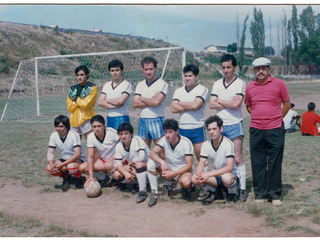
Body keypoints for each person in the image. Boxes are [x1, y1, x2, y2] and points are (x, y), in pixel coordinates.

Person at [245, 57, 290, 207]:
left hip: (275, 129)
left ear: (269, 69)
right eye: (257, 69)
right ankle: (261, 193)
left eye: (264, 68)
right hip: (256, 130)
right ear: (254, 71)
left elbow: (287, 104)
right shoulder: (250, 87)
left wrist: (276, 118)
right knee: (257, 162)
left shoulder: (279, 84)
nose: (261, 71)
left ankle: (274, 194)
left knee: (274, 162)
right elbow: (249, 106)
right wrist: (260, 117)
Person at [209, 54, 247, 202]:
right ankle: (222, 188)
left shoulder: (240, 83)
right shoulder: (218, 83)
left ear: (234, 67)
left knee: (237, 158)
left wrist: (219, 99)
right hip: (220, 126)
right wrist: (227, 102)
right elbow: (211, 104)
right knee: (220, 160)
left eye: (229, 67)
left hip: (234, 123)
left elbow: (236, 105)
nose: (226, 70)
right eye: (223, 67)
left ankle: (242, 189)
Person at [171, 63, 208, 199]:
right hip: (182, 129)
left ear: (196, 76)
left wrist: (181, 104)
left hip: (197, 128)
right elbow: (173, 108)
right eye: (185, 76)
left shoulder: (202, 89)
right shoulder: (178, 91)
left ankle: (204, 185)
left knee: (201, 158)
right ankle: (186, 184)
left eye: (190, 76)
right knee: (183, 158)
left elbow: (197, 105)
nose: (187, 78)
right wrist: (190, 105)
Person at [192, 115, 239, 204]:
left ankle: (232, 193)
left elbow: (229, 168)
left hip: (230, 175)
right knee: (194, 179)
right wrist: (199, 174)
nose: (211, 132)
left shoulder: (228, 143)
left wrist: (208, 174)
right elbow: (201, 163)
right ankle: (215, 191)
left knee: (227, 178)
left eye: (214, 129)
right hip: (216, 175)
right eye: (209, 129)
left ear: (221, 129)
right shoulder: (206, 144)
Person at [147, 119, 194, 207]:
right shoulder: (164, 139)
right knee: (151, 163)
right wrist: (162, 162)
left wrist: (173, 173)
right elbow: (151, 153)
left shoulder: (186, 142)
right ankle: (155, 192)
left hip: (182, 170)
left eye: (170, 132)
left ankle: (186, 188)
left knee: (186, 182)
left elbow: (189, 165)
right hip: (169, 167)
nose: (167, 135)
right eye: (165, 132)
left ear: (177, 131)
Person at [133, 56, 169, 150]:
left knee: (162, 152)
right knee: (143, 151)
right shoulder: (140, 84)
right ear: (142, 69)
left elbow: (157, 102)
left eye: (151, 69)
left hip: (156, 119)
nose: (148, 72)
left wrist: (142, 98)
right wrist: (151, 100)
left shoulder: (162, 84)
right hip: (143, 120)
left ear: (156, 68)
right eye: (146, 69)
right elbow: (135, 104)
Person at [46, 115, 87, 189]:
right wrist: (52, 164)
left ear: (67, 127)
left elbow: (77, 154)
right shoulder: (53, 135)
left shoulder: (74, 135)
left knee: (71, 167)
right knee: (49, 169)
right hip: (65, 159)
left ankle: (80, 179)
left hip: (79, 160)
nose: (58, 129)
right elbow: (50, 152)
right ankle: (67, 178)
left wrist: (62, 165)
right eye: (57, 126)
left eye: (61, 126)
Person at [79, 115, 120, 187]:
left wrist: (114, 157)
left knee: (109, 165)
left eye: (99, 126)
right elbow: (90, 157)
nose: (97, 129)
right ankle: (103, 178)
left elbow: (123, 146)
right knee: (82, 167)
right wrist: (91, 176)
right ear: (91, 127)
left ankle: (119, 181)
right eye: (94, 127)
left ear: (104, 126)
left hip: (117, 159)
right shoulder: (91, 137)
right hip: (104, 161)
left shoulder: (111, 132)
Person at [113, 122, 149, 203]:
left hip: (147, 165)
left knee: (137, 164)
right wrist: (125, 173)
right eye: (121, 134)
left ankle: (143, 189)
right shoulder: (119, 145)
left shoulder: (137, 140)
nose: (123, 136)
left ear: (131, 133)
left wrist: (129, 164)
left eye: (126, 133)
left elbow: (141, 156)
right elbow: (117, 163)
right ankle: (134, 183)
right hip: (134, 166)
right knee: (116, 174)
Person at [98, 59, 133, 130]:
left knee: (122, 140)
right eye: (112, 70)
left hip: (122, 117)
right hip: (109, 117)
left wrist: (106, 100)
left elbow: (120, 101)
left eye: (117, 70)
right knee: (111, 140)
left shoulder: (127, 84)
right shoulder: (107, 85)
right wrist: (114, 107)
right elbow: (100, 102)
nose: (115, 73)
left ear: (122, 71)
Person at [67, 65, 98, 139]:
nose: (79, 77)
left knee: (91, 144)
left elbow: (85, 105)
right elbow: (70, 107)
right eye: (77, 75)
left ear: (87, 75)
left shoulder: (92, 88)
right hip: (74, 120)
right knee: (75, 146)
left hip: (87, 119)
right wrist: (81, 99)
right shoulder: (72, 88)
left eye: (82, 75)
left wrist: (74, 98)